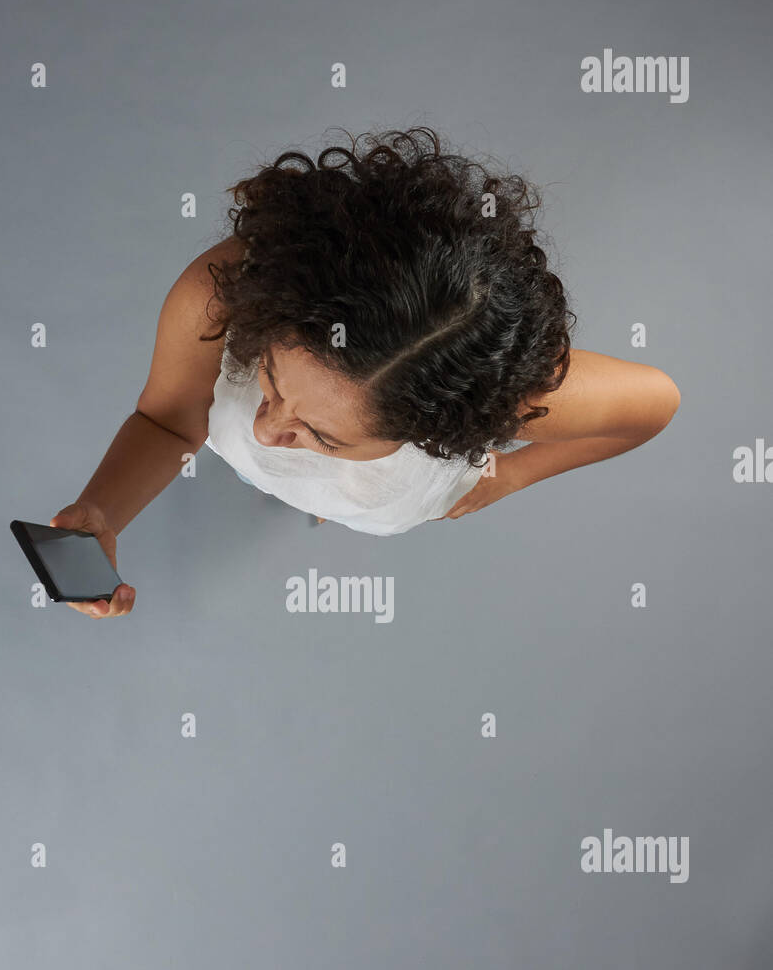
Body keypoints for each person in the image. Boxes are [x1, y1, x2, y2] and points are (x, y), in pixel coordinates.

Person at [50, 127, 680, 618]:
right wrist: (104, 512)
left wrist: (507, 477)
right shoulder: (222, 294)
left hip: (391, 499)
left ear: (446, 428)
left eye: (323, 438)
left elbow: (658, 404)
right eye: (268, 380)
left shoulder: (518, 396)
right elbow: (168, 420)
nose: (265, 432)